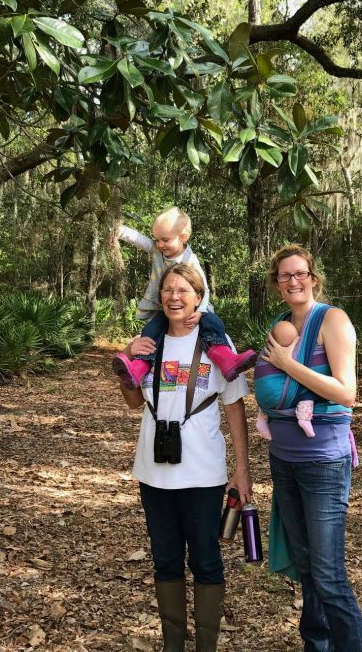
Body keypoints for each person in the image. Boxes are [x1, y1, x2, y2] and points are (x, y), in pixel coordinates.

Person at [118, 263, 253, 652]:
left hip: (202, 475)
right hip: (153, 473)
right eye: (167, 290)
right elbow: (132, 402)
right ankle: (173, 643)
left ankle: (206, 646)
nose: (174, 297)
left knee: (207, 561)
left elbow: (234, 408)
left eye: (183, 290)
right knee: (165, 561)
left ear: (198, 297)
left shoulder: (215, 343)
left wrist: (241, 472)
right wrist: (127, 360)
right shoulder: (150, 342)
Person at [253, 244, 362, 651]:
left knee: (328, 574)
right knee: (306, 567)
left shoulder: (332, 320)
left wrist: (289, 365)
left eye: (300, 273)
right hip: (283, 459)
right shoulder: (281, 323)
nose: (294, 281)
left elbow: (347, 392)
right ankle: (316, 644)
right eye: (285, 276)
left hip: (323, 462)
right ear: (277, 284)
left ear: (313, 277)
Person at [113, 206, 256, 388]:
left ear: (183, 237)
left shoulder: (190, 260)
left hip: (195, 308)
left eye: (165, 239)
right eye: (157, 239)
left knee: (213, 323)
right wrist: (120, 231)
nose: (160, 244)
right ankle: (139, 368)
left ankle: (226, 359)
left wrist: (201, 311)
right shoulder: (158, 251)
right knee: (151, 331)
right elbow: (142, 241)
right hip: (163, 308)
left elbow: (204, 289)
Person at [255, 320, 318, 440]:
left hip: (262, 398)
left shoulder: (265, 351)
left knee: (267, 392)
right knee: (309, 388)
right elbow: (298, 369)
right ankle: (304, 417)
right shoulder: (290, 352)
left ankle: (262, 419)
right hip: (277, 396)